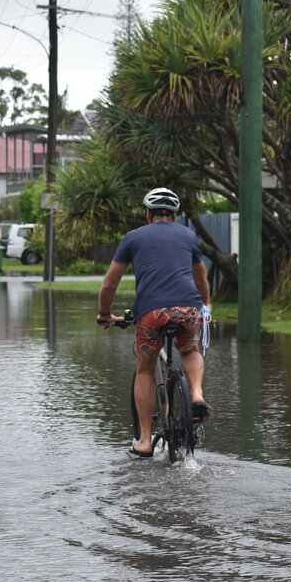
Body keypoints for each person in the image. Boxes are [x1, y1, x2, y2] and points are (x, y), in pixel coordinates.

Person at [97, 187, 212, 459]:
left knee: (145, 369)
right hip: (188, 309)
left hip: (151, 313)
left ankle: (146, 440)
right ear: (175, 215)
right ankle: (196, 394)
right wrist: (205, 305)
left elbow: (109, 283)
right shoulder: (189, 235)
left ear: (148, 214)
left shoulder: (132, 238)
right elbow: (201, 280)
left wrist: (104, 313)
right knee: (190, 350)